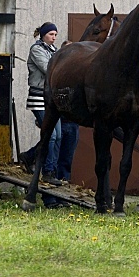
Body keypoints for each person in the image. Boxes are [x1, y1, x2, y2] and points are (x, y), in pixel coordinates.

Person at [18, 22, 63, 199]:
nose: (54, 37)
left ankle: (30, 157)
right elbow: (48, 69)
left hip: (52, 99)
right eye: (51, 34)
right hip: (38, 97)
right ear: (43, 35)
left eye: (55, 35)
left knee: (58, 136)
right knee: (50, 136)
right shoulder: (37, 50)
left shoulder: (54, 50)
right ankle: (48, 171)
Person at [56, 40, 80, 184]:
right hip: (61, 118)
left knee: (67, 157)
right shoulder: (59, 73)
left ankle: (64, 183)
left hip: (73, 121)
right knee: (54, 149)